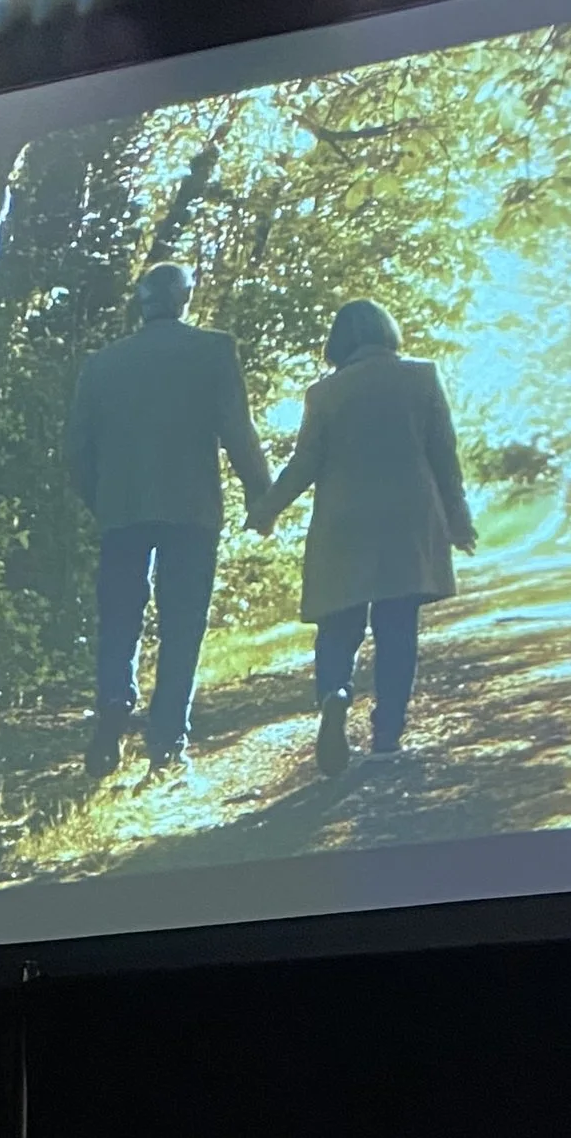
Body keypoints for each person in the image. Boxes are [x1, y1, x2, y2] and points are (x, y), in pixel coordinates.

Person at [66, 260, 271, 776]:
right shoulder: (213, 350)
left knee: (118, 620)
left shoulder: (102, 364)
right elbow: (237, 432)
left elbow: (76, 452)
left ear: (142, 301)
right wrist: (259, 495)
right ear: (184, 298)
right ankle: (167, 742)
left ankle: (114, 706)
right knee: (182, 626)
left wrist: (103, 501)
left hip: (122, 513)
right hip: (191, 510)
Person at [261, 298, 476, 774]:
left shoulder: (325, 394)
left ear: (339, 342)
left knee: (338, 625)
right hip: (406, 521)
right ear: (388, 332)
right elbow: (445, 456)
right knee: (397, 628)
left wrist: (267, 510)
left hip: (344, 524)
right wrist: (458, 522)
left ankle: (335, 694)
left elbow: (305, 464)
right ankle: (386, 733)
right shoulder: (421, 378)